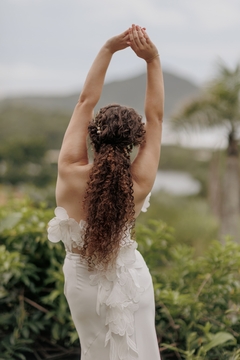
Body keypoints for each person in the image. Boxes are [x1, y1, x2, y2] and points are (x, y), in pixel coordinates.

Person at [48, 24, 164, 360]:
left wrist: (108, 49)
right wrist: (152, 60)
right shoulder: (137, 183)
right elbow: (155, 118)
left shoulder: (69, 171)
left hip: (82, 283)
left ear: (93, 136)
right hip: (132, 279)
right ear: (133, 143)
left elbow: (86, 100)